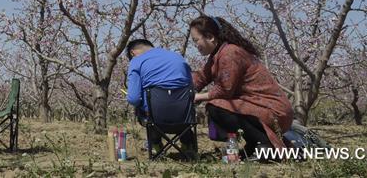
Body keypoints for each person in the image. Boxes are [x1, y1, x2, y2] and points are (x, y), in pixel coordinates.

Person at [189, 15, 294, 158]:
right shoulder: (217, 55)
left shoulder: (230, 53)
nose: (196, 45)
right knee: (221, 106)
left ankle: (264, 144)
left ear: (210, 37)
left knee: (216, 107)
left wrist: (198, 96)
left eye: (196, 40)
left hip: (272, 110)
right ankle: (254, 144)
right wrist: (181, 86)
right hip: (257, 107)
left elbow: (224, 90)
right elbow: (201, 77)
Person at [125, 39, 196, 157]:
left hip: (156, 118)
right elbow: (191, 89)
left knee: (142, 107)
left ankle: (156, 145)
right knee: (177, 104)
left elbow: (133, 98)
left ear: (132, 53)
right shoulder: (178, 57)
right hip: (184, 117)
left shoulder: (136, 61)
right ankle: (188, 144)